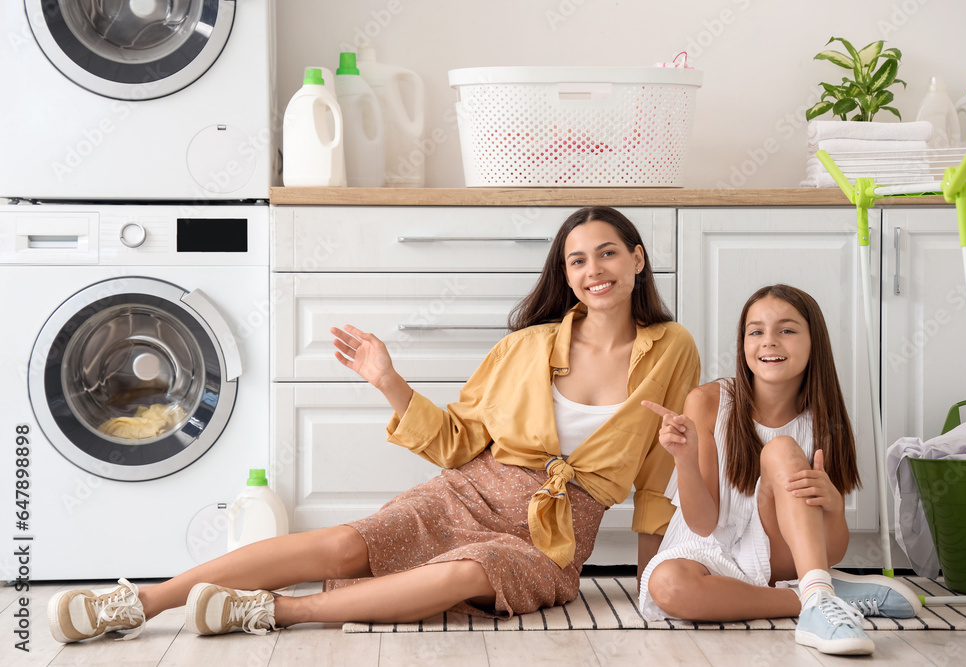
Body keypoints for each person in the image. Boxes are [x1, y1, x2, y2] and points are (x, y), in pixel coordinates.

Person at [48, 206, 700, 643]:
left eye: (607, 253)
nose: (594, 271)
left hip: (552, 533)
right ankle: (142, 602)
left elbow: (657, 469)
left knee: (472, 573)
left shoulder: (672, 347)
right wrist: (390, 380)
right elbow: (456, 443)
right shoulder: (525, 348)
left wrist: (650, 582)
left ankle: (274, 610)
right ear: (566, 274)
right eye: (578, 260)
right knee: (341, 544)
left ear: (638, 259)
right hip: (470, 490)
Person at [636, 284, 921, 657]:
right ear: (743, 345)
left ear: (813, 341)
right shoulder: (708, 402)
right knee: (669, 586)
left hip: (779, 557)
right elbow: (704, 524)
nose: (769, 341)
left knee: (781, 450)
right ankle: (815, 597)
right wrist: (685, 460)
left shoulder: (824, 419)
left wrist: (833, 505)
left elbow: (831, 550)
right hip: (709, 552)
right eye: (756, 332)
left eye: (786, 330)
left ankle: (816, 589)